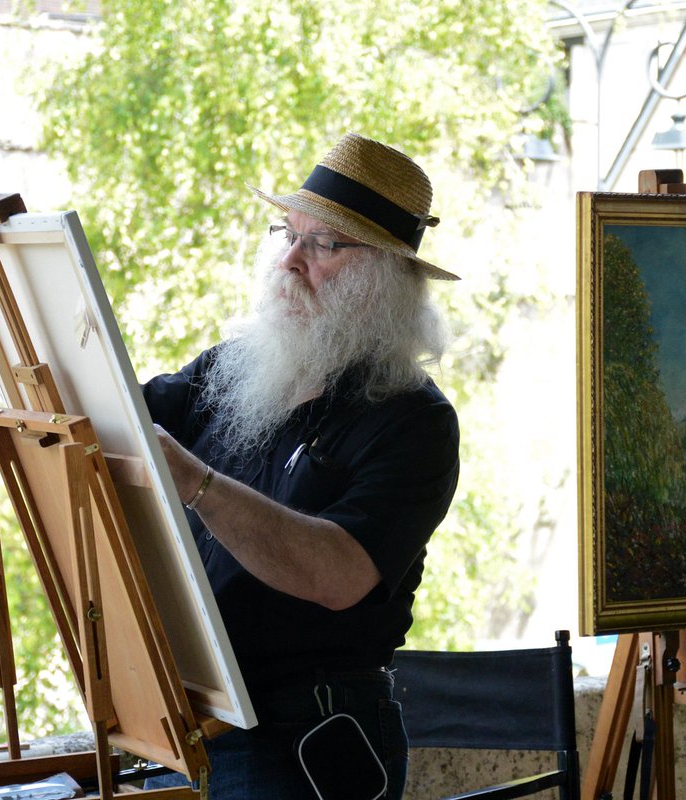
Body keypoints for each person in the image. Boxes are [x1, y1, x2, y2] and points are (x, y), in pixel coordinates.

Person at [141, 132, 461, 799]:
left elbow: (338, 573)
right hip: (193, 727)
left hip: (305, 748)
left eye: (324, 244)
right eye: (289, 233)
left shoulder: (414, 422)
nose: (290, 260)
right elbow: (113, 417)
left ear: (385, 277)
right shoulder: (232, 370)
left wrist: (195, 482)